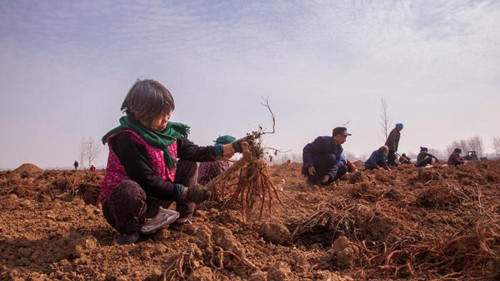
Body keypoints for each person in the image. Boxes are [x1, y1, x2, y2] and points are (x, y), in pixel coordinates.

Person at [99, 79, 245, 245]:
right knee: (129, 189)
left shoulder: (168, 135)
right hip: (125, 207)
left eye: (168, 114)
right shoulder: (127, 139)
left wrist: (230, 148)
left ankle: (181, 221)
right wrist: (186, 192)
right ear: (142, 113)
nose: (166, 119)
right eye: (161, 115)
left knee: (188, 164)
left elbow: (194, 151)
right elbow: (146, 181)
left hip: (155, 199)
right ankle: (131, 232)